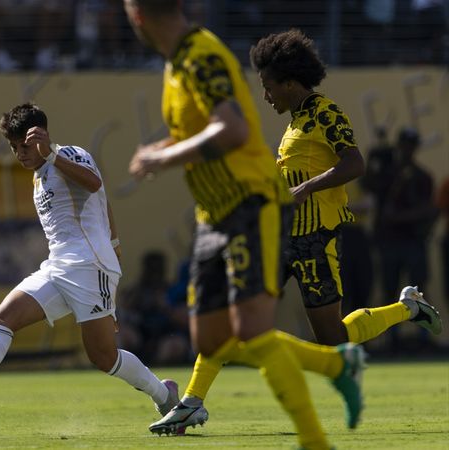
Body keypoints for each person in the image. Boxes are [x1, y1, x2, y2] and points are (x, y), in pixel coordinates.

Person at [167, 28, 444, 437]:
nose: (266, 96)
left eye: (268, 87)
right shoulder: (294, 122)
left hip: (316, 241)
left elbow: (355, 164)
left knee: (332, 338)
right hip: (280, 240)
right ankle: (191, 402)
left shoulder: (325, 113)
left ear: (290, 83)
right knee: (228, 315)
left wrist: (305, 188)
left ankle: (407, 308)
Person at [121, 3, 364, 448]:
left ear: (137, 15)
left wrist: (161, 158)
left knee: (255, 331)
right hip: (214, 212)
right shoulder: (177, 65)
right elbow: (205, 129)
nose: (266, 93)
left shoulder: (202, 57)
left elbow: (230, 131)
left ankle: (315, 437)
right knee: (213, 340)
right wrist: (163, 147)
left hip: (252, 207)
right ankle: (336, 366)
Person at [0, 103, 179, 419]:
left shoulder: (69, 154)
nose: (19, 153)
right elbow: (101, 205)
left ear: (41, 137)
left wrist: (51, 153)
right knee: (0, 319)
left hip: (90, 266)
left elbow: (94, 184)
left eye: (24, 145)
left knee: (103, 357)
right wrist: (115, 242)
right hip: (58, 266)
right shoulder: (40, 174)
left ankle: (164, 395)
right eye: (13, 147)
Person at [373, 128, 440, 351]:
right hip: (390, 241)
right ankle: (391, 340)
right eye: (404, 144)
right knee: (390, 290)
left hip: (413, 240)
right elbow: (374, 195)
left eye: (411, 145)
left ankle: (424, 338)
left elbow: (427, 210)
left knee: (418, 290)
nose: (407, 149)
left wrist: (402, 218)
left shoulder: (422, 176)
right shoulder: (388, 174)